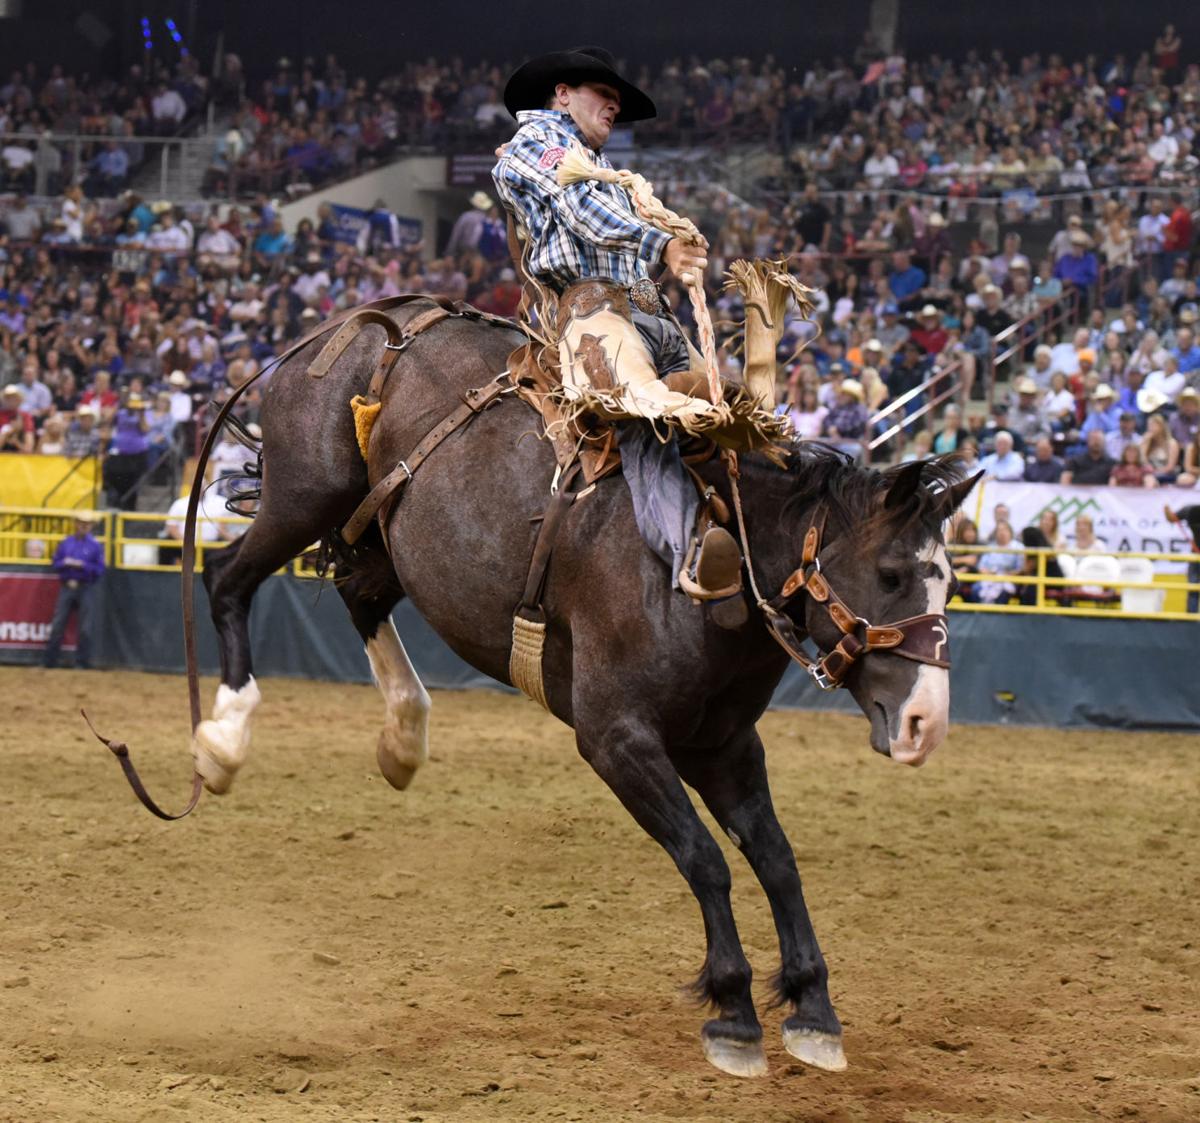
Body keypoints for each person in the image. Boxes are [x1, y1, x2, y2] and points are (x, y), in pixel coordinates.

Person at [492, 46, 741, 606]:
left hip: (650, 312)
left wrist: (666, 242)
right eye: (604, 96)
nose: (613, 108)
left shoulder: (602, 168)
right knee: (645, 413)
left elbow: (610, 226)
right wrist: (663, 242)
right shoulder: (538, 145)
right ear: (562, 93)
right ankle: (691, 551)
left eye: (616, 102)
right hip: (592, 312)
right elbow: (582, 212)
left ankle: (749, 538)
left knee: (727, 411)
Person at [44, 513, 106, 669]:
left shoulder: (95, 546)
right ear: (76, 524)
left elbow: (100, 569)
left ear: (91, 526)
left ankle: (82, 662)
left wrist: (82, 565)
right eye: (81, 523)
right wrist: (65, 563)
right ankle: (50, 661)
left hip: (85, 586)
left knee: (85, 627)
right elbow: (55, 563)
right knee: (58, 624)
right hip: (67, 586)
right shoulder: (66, 543)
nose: (84, 526)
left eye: (87, 523)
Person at [1163, 504, 1200, 613]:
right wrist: (1166, 510)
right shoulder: (1192, 510)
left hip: (1196, 555)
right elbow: (1172, 518)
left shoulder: (1192, 510)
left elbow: (1171, 518)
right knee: (1193, 586)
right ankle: (1191, 618)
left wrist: (1167, 511)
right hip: (1196, 555)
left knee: (1193, 586)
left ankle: (1191, 617)